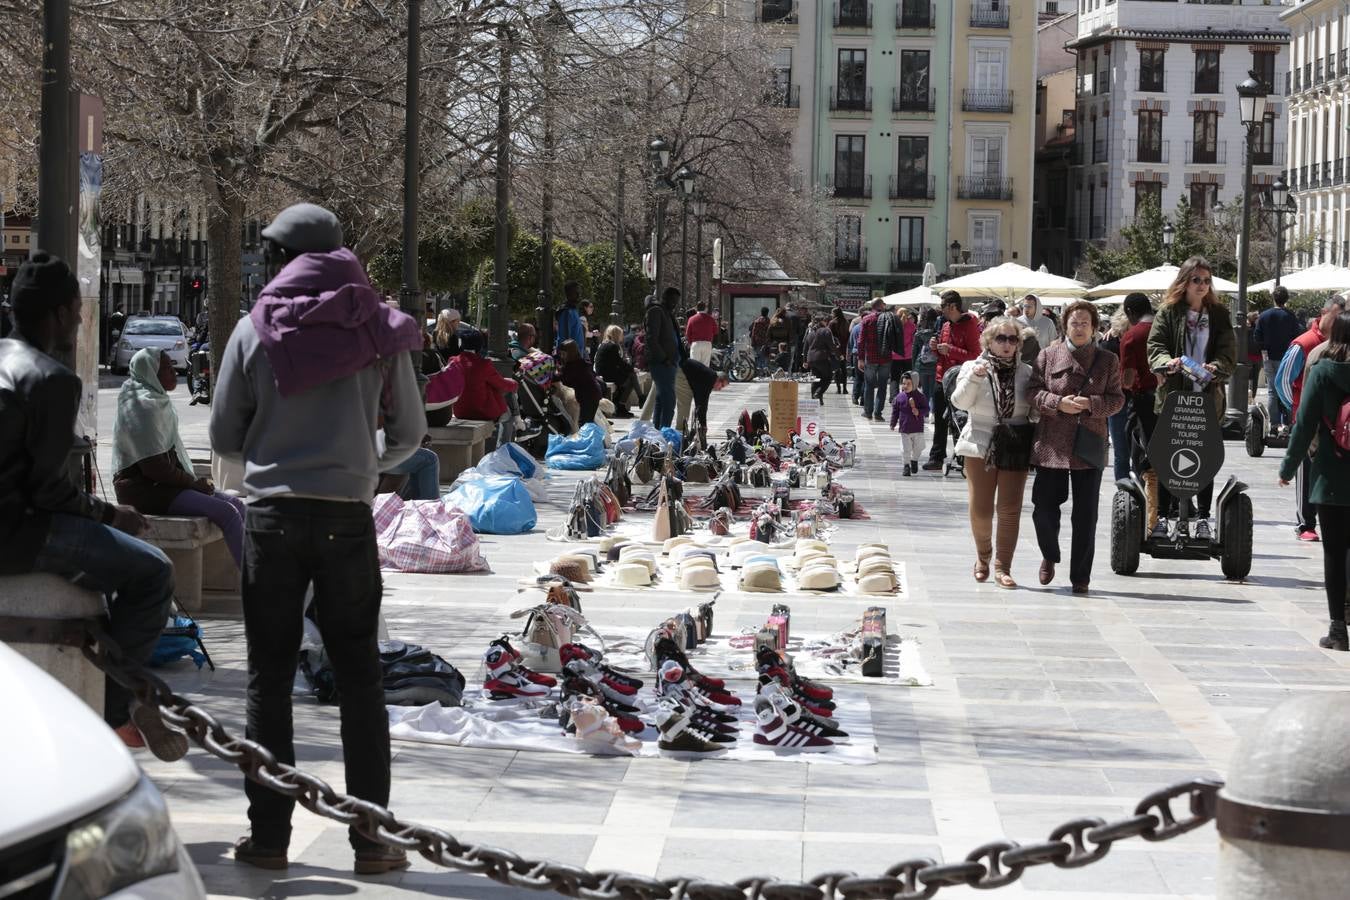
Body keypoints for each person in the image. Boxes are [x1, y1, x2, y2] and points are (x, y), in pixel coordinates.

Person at [210, 204, 424, 875]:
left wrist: (273, 458)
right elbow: (412, 436)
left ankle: (268, 838)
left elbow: (221, 437)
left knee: (269, 682)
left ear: (281, 258)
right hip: (346, 518)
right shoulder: (379, 329)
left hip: (272, 519)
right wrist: (362, 464)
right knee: (360, 679)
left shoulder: (253, 330)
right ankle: (372, 841)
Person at [1, 252, 182, 759]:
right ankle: (118, 707)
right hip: (19, 533)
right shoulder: (53, 379)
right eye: (77, 311)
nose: (82, 321)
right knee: (152, 573)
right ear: (59, 314)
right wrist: (110, 515)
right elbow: (47, 491)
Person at [113, 348, 246, 565]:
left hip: (164, 486)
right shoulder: (141, 406)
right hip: (144, 489)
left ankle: (258, 571)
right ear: (150, 373)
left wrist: (195, 484)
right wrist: (193, 484)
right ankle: (255, 584)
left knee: (238, 505)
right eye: (165, 367)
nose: (174, 372)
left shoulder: (156, 401)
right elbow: (154, 467)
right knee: (228, 513)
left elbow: (170, 455)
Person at [1029, 300, 1125, 594]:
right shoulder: (1047, 356)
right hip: (1052, 442)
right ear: (1065, 326)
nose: (1080, 328)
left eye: (1085, 323)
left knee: (1086, 515)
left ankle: (1080, 576)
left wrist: (1090, 405)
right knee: (1043, 509)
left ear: (1095, 327)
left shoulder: (1107, 360)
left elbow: (1117, 399)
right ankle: (1050, 554)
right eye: (1074, 322)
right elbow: (1033, 391)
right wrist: (1058, 403)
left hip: (1089, 443)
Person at [1146, 256, 1237, 541]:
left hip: (1206, 398)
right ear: (1184, 282)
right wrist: (1166, 361)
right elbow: (1155, 345)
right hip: (1175, 396)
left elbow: (1228, 352)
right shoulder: (1169, 312)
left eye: (1206, 280)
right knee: (1165, 455)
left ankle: (1202, 518)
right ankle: (1163, 516)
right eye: (1196, 280)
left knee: (1205, 454)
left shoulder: (1219, 314)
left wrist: (1217, 367)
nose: (1201, 285)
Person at [1279, 311, 1350, 650]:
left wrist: (1288, 467)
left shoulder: (1321, 372)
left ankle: (1338, 630)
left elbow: (1304, 423)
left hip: (1330, 474)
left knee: (1334, 553)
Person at [951, 318, 1037, 588]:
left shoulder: (1028, 373)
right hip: (980, 441)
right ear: (988, 341)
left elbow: (1034, 411)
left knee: (1010, 509)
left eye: (1013, 339)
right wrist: (976, 378)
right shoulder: (972, 367)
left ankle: (1003, 567)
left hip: (1015, 441)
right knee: (981, 510)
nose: (1007, 345)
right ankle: (983, 556)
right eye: (1001, 338)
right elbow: (961, 402)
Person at [1275, 295, 1347, 542]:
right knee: (1308, 474)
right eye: (1336, 315)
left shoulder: (1322, 351)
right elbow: (1282, 381)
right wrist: (1294, 407)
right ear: (1324, 313)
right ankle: (1305, 522)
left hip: (1327, 426)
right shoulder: (1306, 345)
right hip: (1313, 421)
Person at [1118, 292, 1169, 536]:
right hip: (1172, 399)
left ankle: (1152, 516)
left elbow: (1127, 379)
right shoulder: (1167, 329)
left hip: (1144, 402)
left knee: (1144, 456)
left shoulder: (1132, 336)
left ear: (1129, 312)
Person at [923, 291, 982, 470]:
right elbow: (942, 353)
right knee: (940, 419)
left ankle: (962, 456)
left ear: (953, 306)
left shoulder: (971, 325)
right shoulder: (946, 325)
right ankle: (937, 456)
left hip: (960, 380)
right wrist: (935, 348)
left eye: (943, 306)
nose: (941, 310)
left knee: (960, 419)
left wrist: (951, 350)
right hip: (942, 378)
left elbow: (975, 355)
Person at [1255, 285, 1302, 430]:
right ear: (1286, 299)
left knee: (1272, 391)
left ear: (1273, 298)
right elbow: (1297, 336)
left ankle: (1274, 424)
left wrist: (1264, 349)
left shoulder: (1264, 315)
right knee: (1287, 388)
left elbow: (1257, 336)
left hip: (1268, 356)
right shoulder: (1290, 316)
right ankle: (1289, 422)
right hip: (1286, 357)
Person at [644, 287, 683, 428]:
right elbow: (651, 338)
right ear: (664, 298)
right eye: (672, 300)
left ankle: (658, 429)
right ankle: (664, 429)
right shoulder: (656, 311)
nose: (674, 304)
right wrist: (664, 358)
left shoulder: (667, 313)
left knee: (661, 398)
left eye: (676, 302)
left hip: (670, 363)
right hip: (662, 363)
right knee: (669, 400)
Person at [1100, 310, 1131, 483]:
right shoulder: (1108, 343)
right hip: (1117, 402)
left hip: (1140, 400)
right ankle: (1124, 493)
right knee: (1121, 453)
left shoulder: (1143, 339)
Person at [857, 298, 892, 422]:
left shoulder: (866, 320)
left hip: (870, 357)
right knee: (882, 386)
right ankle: (878, 413)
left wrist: (860, 358)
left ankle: (868, 412)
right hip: (886, 357)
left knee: (869, 385)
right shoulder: (889, 319)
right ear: (881, 305)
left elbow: (861, 341)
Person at [594, 324, 641, 417]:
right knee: (631, 377)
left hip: (605, 372)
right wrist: (631, 368)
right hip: (607, 374)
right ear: (616, 334)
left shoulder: (605, 344)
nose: (622, 336)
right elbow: (619, 363)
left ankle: (622, 405)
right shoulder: (612, 346)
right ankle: (622, 405)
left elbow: (617, 363)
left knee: (630, 377)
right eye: (620, 334)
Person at [890, 371, 930, 476]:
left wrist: (919, 412)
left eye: (908, 384)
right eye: (903, 383)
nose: (905, 386)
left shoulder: (920, 396)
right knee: (905, 448)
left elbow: (926, 409)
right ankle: (906, 465)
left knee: (919, 447)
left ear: (915, 384)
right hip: (905, 428)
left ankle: (914, 460)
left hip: (917, 428)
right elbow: (895, 411)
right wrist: (893, 423)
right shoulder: (899, 397)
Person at [558, 339, 602, 429]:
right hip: (591, 394)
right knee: (586, 422)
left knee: (585, 424)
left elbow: (564, 379)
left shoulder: (575, 366)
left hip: (589, 396)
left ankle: (591, 441)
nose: (562, 356)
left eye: (564, 354)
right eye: (561, 354)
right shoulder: (579, 362)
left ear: (570, 353)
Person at [805, 315, 839, 403]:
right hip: (821, 357)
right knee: (828, 377)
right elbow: (831, 345)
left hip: (810, 358)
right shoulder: (826, 331)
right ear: (823, 321)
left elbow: (805, 347)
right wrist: (837, 354)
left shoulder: (810, 332)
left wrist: (805, 360)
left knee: (816, 378)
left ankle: (816, 399)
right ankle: (818, 393)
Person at [912, 306, 940, 402]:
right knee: (933, 391)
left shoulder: (918, 334)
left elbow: (914, 352)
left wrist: (913, 368)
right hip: (935, 364)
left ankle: (925, 412)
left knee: (924, 390)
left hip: (922, 364)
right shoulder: (937, 333)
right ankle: (932, 412)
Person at [889, 306, 916, 402]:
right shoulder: (912, 326)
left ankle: (893, 398)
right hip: (908, 355)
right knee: (907, 378)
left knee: (894, 378)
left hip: (895, 355)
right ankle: (906, 396)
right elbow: (913, 341)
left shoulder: (893, 325)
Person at [555, 281, 588, 359]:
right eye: (576, 292)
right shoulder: (566, 312)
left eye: (579, 292)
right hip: (571, 359)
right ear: (569, 294)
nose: (578, 295)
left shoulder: (574, 310)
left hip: (578, 357)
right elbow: (564, 339)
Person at [685, 300, 719, 365]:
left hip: (695, 343)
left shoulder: (691, 319)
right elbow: (715, 332)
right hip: (707, 343)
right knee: (705, 366)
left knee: (695, 366)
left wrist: (690, 343)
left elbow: (688, 333)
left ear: (696, 308)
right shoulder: (710, 319)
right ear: (705, 308)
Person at [829, 307, 850, 394]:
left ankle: (838, 389)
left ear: (835, 314)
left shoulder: (832, 323)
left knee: (837, 369)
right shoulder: (846, 322)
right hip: (844, 348)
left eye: (832, 313)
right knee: (844, 369)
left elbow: (830, 337)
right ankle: (845, 388)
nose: (831, 315)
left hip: (836, 349)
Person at [848, 313, 865, 404]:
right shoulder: (868, 328)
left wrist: (849, 354)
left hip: (856, 354)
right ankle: (863, 398)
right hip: (866, 355)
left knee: (858, 377)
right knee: (866, 377)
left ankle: (855, 396)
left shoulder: (855, 328)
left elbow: (850, 343)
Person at [750, 306, 772, 372]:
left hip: (758, 341)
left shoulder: (757, 321)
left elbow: (754, 332)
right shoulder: (769, 321)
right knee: (765, 357)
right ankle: (765, 370)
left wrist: (752, 342)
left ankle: (759, 370)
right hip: (766, 342)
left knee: (758, 357)